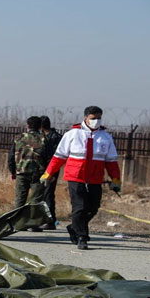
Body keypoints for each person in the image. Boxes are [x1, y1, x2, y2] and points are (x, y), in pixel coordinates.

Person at [41, 106, 121, 250]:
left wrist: (115, 180)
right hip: (75, 176)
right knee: (79, 207)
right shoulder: (72, 134)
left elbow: (111, 162)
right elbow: (59, 157)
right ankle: (82, 237)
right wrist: (48, 174)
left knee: (93, 207)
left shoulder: (105, 137)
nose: (96, 121)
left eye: (99, 118)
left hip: (95, 178)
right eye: (93, 118)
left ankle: (74, 227)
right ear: (85, 118)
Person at [7, 116, 46, 232]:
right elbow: (49, 157)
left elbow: (11, 156)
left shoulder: (18, 138)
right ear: (40, 126)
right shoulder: (44, 139)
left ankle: (19, 223)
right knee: (36, 199)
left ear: (28, 126)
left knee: (20, 198)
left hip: (21, 172)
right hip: (38, 173)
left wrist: (13, 171)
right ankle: (33, 224)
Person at [39, 115, 63, 230]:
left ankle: (49, 221)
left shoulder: (49, 137)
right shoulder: (58, 136)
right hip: (51, 168)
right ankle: (46, 219)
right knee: (46, 193)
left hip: (49, 169)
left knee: (47, 194)